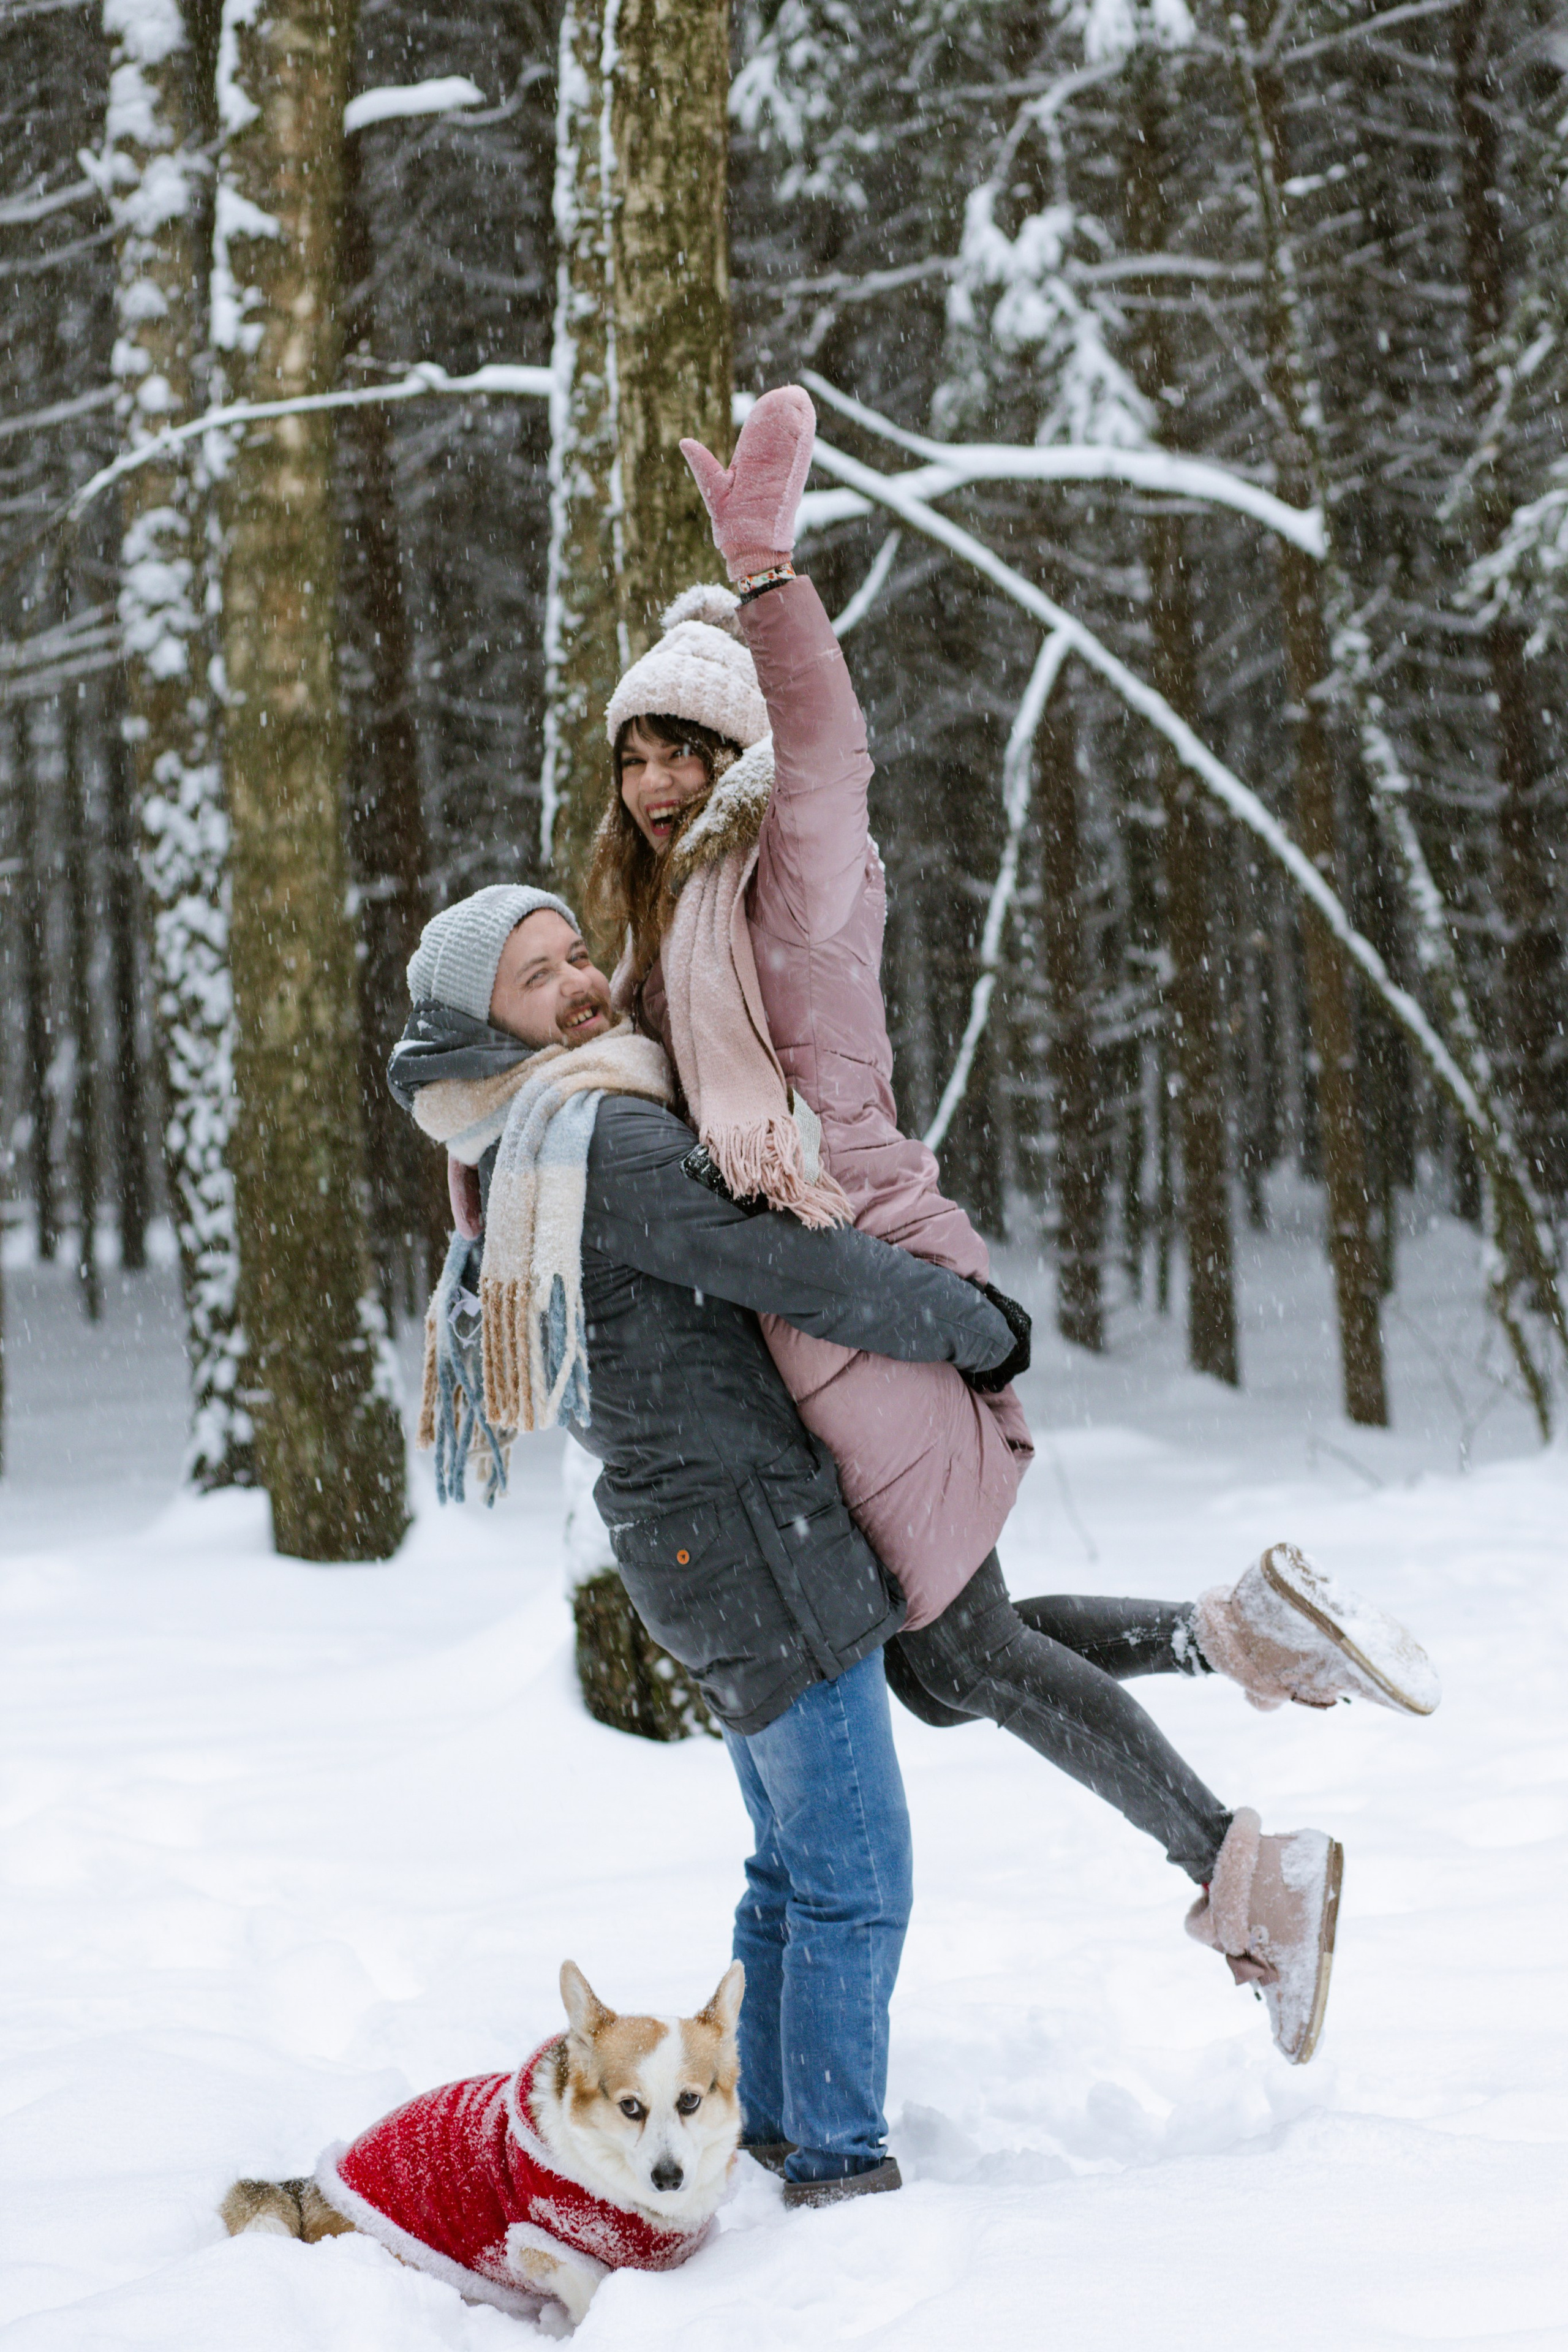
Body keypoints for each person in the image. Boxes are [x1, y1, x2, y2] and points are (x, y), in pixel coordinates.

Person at [524, 384, 1440, 2071]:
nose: (657, 776)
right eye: (636, 748)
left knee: (957, 1647)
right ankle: (1238, 1637)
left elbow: (838, 749)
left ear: (740, 759)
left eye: (687, 744)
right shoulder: (666, 938)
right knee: (950, 1657)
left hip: (857, 1265)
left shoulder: (790, 871)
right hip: (808, 1302)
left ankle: (1247, 1870)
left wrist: (770, 576)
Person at [389, 884, 1022, 2204]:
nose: (578, 985)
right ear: (479, 1024)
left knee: (791, 1864)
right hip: (750, 1538)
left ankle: (779, 2124)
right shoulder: (600, 1138)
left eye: (575, 954)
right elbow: (789, 1262)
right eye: (535, 979)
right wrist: (965, 1321)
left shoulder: (520, 1139)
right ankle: (838, 2167)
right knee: (852, 1876)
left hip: (689, 1542)